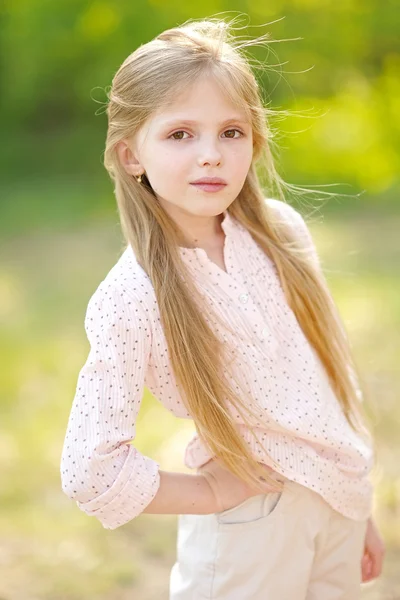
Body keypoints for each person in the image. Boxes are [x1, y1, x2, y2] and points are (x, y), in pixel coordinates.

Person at [60, 16, 385, 599]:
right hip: (252, 533)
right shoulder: (134, 294)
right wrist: (207, 494)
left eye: (231, 132)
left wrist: (357, 505)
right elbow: (90, 469)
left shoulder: (281, 234)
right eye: (180, 134)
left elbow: (329, 380)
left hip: (337, 508)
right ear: (132, 154)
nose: (211, 155)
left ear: (254, 142)